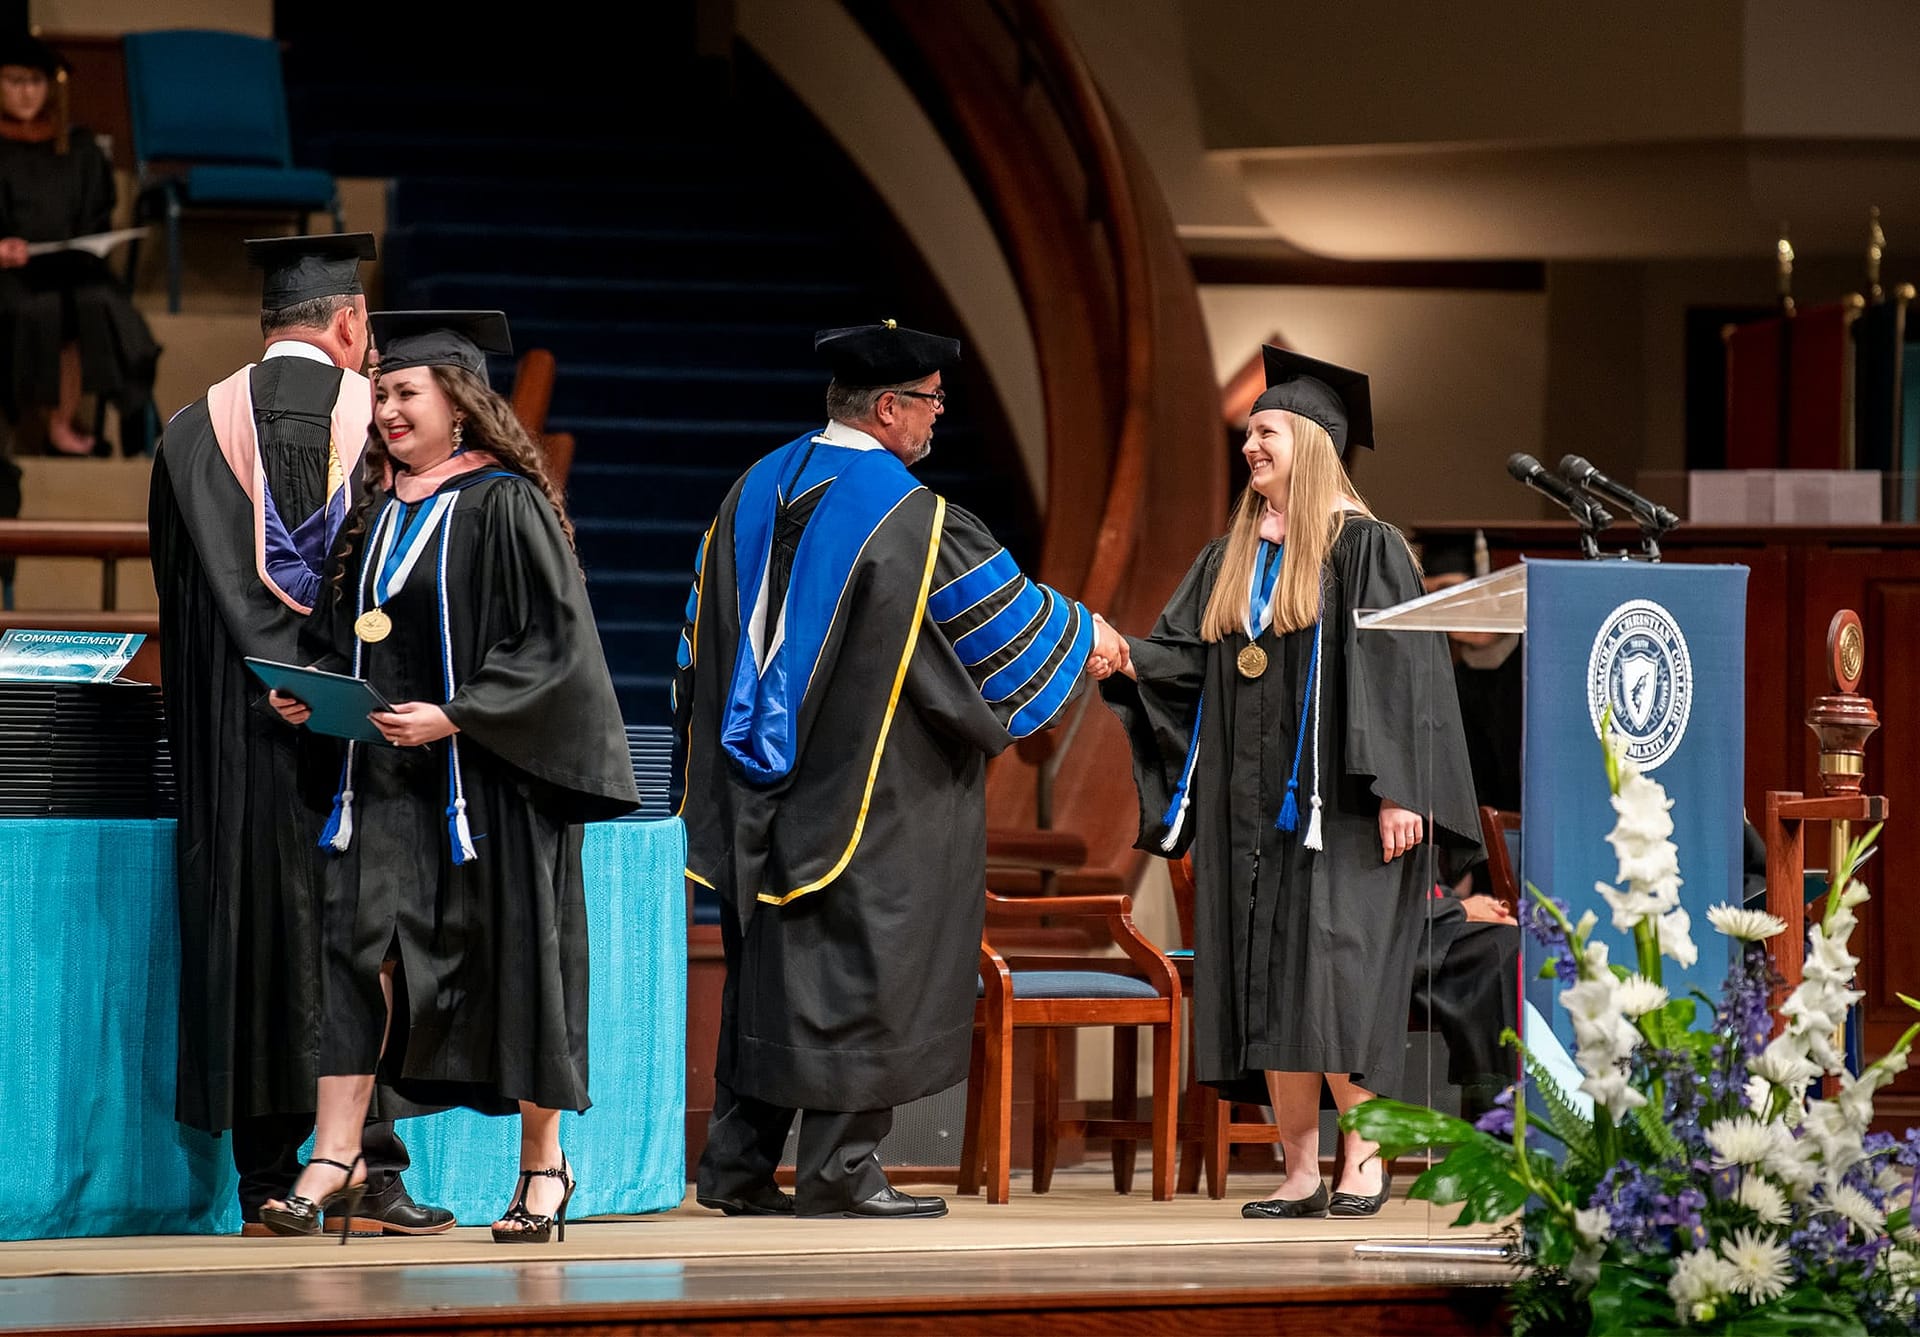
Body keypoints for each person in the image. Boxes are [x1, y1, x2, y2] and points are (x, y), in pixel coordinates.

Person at [674, 320, 1126, 1220]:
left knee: (769, 973)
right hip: (873, 799)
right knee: (861, 971)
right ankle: (841, 1170)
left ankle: (738, 1165)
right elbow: (996, 633)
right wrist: (1086, 635)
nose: (935, 421)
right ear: (888, 408)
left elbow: (696, 645)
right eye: (929, 403)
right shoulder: (912, 517)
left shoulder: (749, 491)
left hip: (756, 794)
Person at [265, 309, 638, 1243]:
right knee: (362, 957)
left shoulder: (507, 503)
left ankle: (543, 1168)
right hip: (387, 786)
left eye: (403, 393)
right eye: (380, 392)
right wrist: (314, 696)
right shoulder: (378, 512)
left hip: (495, 787)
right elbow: (344, 634)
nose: (385, 409)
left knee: (520, 963)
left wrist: (461, 713)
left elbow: (557, 645)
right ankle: (334, 1154)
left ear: (459, 407)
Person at [1094, 347, 1481, 1220]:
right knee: (1263, 976)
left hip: (1341, 810)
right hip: (1247, 810)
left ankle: (1366, 1157)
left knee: (1335, 978)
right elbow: (1189, 664)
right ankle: (1300, 1169)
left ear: (1310, 441)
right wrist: (1125, 658)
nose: (1250, 447)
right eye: (1248, 435)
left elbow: (1405, 676)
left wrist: (1402, 790)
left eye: (1265, 432)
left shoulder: (1368, 549)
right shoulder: (1232, 558)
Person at [149, 233, 452, 1237]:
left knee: (255, 935)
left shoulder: (189, 431)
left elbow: (179, 605)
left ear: (264, 326)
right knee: (362, 936)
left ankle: (268, 1177)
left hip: (235, 745)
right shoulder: (392, 422)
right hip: (358, 739)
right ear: (351, 324)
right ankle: (375, 1169)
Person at [0, 32, 157, 455]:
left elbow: (96, 210)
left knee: (99, 305)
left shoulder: (78, 146)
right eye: (15, 80)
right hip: (10, 270)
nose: (28, 91)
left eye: (36, 81)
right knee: (39, 308)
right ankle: (18, 425)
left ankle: (70, 422)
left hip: (69, 266)